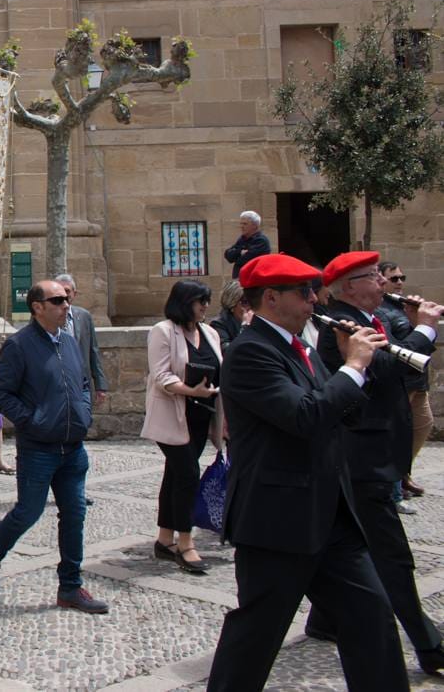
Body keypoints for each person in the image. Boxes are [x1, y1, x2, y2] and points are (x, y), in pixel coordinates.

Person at [205, 254, 407, 692]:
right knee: (256, 634)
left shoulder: (303, 345)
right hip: (278, 519)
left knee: (371, 616)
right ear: (272, 297)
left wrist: (366, 371)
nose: (313, 299)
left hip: (329, 515)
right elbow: (304, 416)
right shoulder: (249, 351)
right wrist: (352, 367)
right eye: (304, 292)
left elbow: (337, 411)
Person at [305, 251, 444, 675]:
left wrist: (416, 323)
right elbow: (385, 367)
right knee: (392, 558)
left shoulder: (375, 316)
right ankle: (430, 645)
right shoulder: (340, 325)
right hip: (361, 462)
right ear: (348, 286)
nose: (383, 283)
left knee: (352, 546)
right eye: (372, 277)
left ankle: (326, 618)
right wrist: (425, 328)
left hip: (376, 457)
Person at [0, 279, 108, 614]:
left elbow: (80, 382)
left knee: (75, 514)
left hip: (73, 447)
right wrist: (33, 420)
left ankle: (71, 587)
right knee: (29, 512)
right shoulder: (19, 346)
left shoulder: (69, 340)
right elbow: (0, 394)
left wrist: (84, 412)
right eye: (58, 300)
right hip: (39, 449)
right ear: (38, 307)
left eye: (66, 299)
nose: (67, 305)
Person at [141, 280, 224, 574]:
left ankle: (164, 539)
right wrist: (192, 391)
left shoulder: (209, 333)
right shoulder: (163, 332)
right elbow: (160, 375)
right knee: (188, 475)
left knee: (175, 475)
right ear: (184, 301)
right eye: (200, 301)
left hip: (201, 418)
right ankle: (186, 543)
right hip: (172, 416)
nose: (205, 307)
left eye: (206, 301)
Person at [377, 260, 431, 499]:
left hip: (418, 378)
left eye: (402, 278)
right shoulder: (381, 309)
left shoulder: (404, 305)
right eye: (394, 278)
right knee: (398, 430)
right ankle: (395, 482)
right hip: (402, 379)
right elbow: (394, 346)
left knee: (423, 424)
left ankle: (403, 472)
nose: (399, 283)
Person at [56, 274, 108, 406]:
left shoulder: (84, 316)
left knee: (83, 421)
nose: (64, 295)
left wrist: (100, 385)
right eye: (59, 291)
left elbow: (93, 350)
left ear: (74, 293)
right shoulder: (45, 316)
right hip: (55, 381)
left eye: (67, 291)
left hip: (81, 382)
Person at [224, 210, 271, 278]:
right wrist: (240, 252)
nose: (241, 226)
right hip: (239, 280)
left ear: (255, 225)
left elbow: (244, 260)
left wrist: (236, 255)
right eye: (241, 223)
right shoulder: (242, 239)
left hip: (253, 281)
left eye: (245, 224)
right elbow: (228, 255)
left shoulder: (261, 240)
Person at [209, 280, 252, 350]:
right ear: (232, 304)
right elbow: (228, 351)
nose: (250, 307)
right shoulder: (218, 324)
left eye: (252, 301)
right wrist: (245, 327)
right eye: (245, 302)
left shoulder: (256, 320)